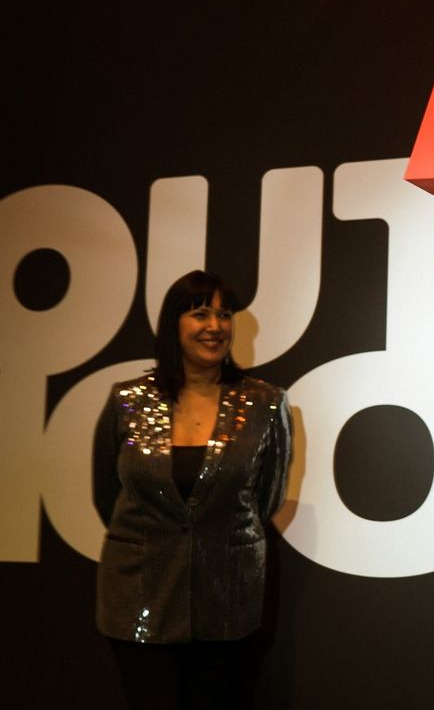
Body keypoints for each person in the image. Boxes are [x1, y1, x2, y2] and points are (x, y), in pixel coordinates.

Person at [93, 270, 292, 709]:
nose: (216, 326)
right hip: (139, 596)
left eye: (224, 314)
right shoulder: (127, 399)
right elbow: (106, 494)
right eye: (201, 313)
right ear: (173, 324)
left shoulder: (266, 404)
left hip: (229, 599)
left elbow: (268, 498)